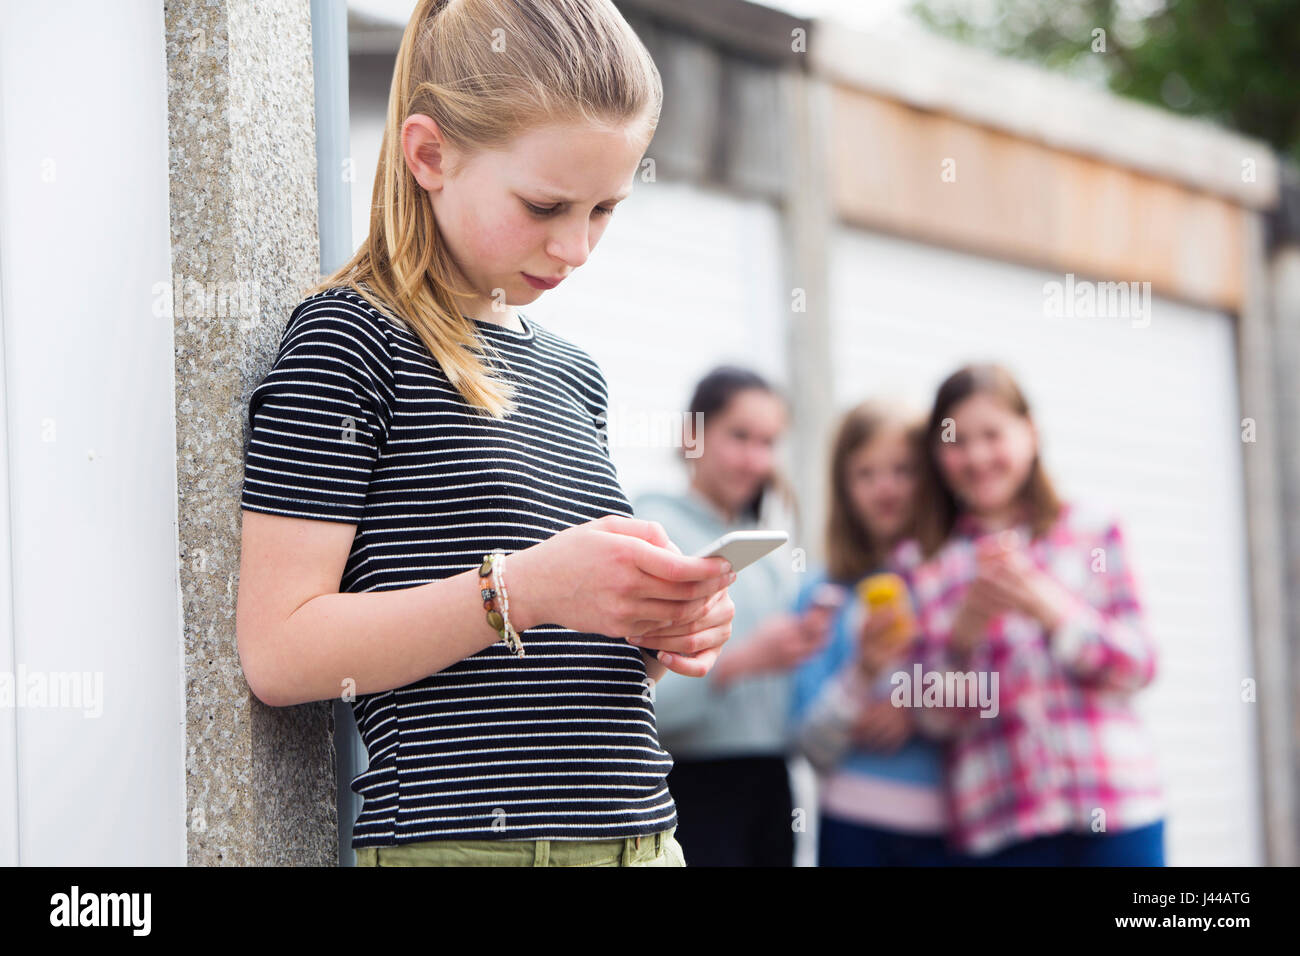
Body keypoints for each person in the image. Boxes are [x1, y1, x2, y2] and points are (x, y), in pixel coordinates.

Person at [235, 0, 739, 868]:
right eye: (546, 205)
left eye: (605, 209)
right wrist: (524, 590)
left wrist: (653, 625)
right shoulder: (350, 341)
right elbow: (279, 652)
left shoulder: (573, 373)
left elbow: (543, 664)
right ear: (429, 155)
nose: (576, 247)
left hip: (646, 839)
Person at [906, 362, 1165, 865]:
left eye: (993, 435)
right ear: (938, 455)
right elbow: (930, 720)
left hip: (1117, 808)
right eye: (957, 441)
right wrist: (963, 638)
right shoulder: (925, 565)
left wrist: (1051, 609)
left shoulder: (1093, 530)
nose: (978, 456)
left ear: (1031, 433)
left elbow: (1142, 664)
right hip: (1001, 823)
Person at [633, 366, 827, 866]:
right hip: (689, 785)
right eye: (739, 436)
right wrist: (741, 663)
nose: (755, 459)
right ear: (691, 436)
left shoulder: (773, 550)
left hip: (771, 786)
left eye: (768, 442)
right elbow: (633, 697)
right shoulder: (651, 532)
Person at [789, 399, 968, 866]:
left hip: (949, 830)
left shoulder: (951, 578)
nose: (884, 487)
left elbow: (992, 693)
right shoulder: (822, 594)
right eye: (865, 474)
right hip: (851, 827)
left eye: (902, 471)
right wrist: (862, 672)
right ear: (843, 488)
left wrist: (914, 705)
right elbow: (810, 747)